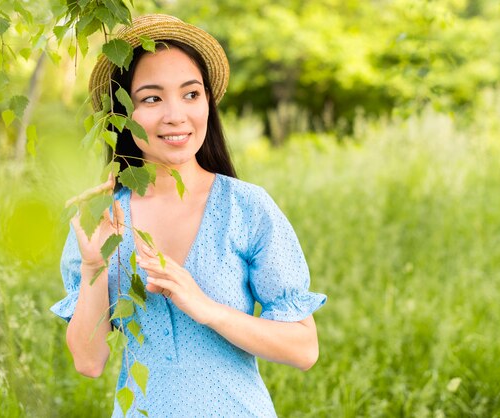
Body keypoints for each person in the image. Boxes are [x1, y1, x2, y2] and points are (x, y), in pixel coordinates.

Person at [51, 14, 326, 417]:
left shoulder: (245, 207)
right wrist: (95, 265)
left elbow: (303, 348)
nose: (176, 115)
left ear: (208, 104)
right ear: (123, 113)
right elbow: (88, 363)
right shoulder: (104, 217)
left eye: (191, 94)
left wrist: (206, 307)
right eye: (152, 98)